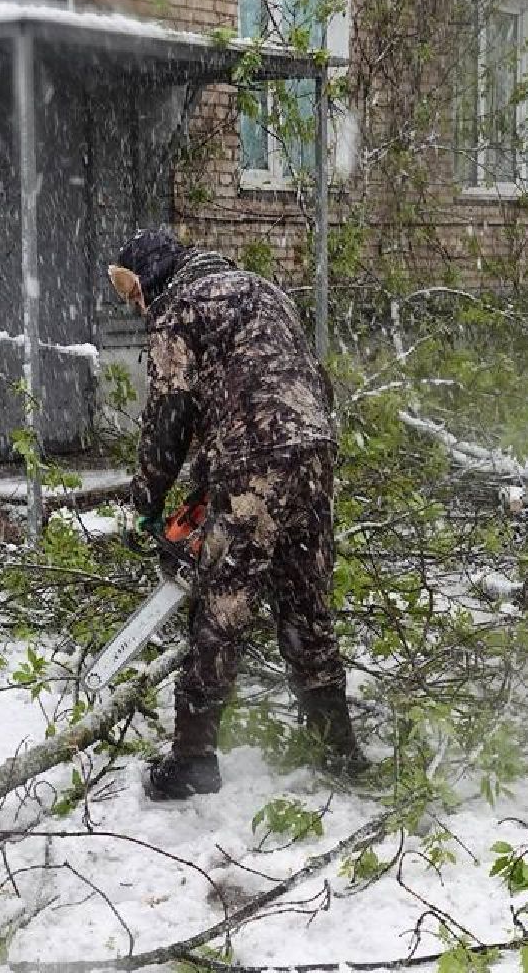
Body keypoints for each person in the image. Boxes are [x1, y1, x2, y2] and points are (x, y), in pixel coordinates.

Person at [106, 229, 364, 800]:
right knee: (305, 604)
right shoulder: (261, 290)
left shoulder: (178, 307)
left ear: (150, 277)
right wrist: (209, 487)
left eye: (132, 293)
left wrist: (144, 505)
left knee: (222, 608)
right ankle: (337, 750)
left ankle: (194, 758)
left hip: (253, 458)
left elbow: (169, 418)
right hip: (314, 447)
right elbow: (265, 388)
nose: (134, 306)